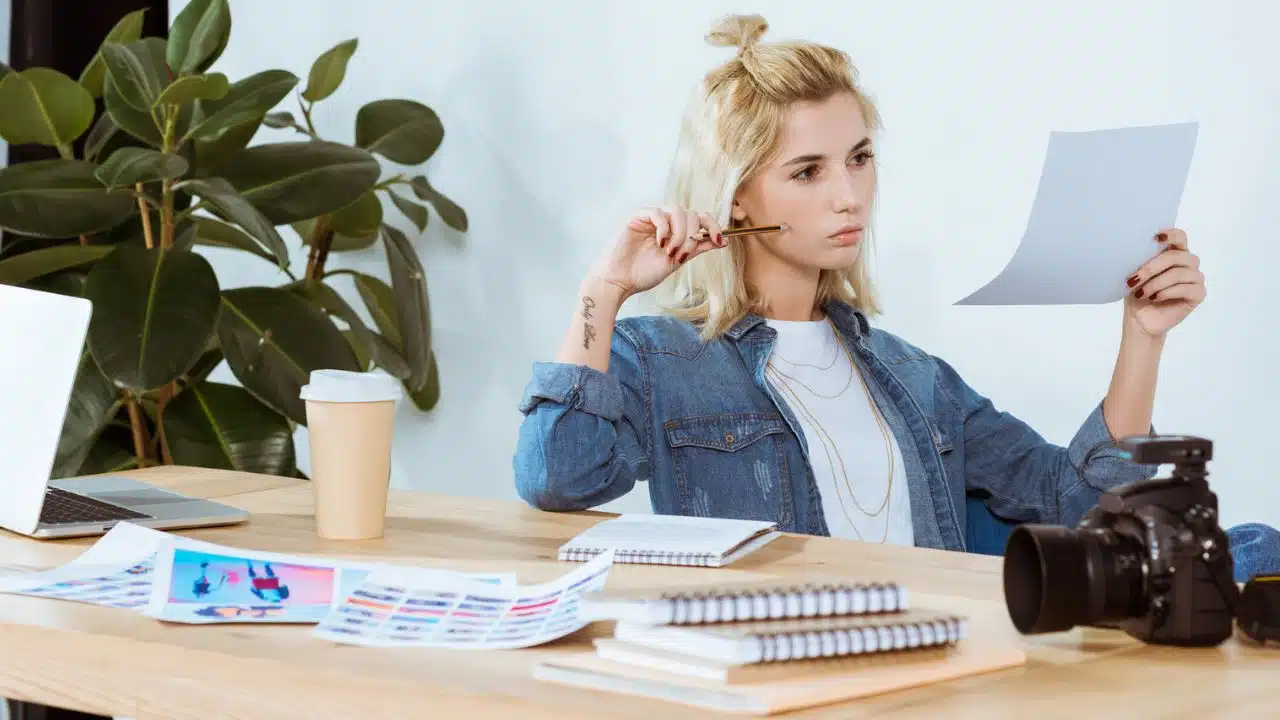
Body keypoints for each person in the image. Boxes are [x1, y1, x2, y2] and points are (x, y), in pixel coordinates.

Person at [512, 14, 1211, 554]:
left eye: (860, 158)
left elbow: (1076, 503)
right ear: (737, 198)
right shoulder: (658, 359)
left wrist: (1142, 337)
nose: (849, 195)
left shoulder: (916, 378)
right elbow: (557, 479)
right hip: (768, 666)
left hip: (929, 667)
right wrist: (604, 287)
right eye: (808, 171)